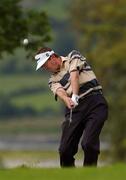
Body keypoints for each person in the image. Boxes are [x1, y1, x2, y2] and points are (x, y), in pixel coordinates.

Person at [35, 47, 108, 167]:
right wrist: (67, 99)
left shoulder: (73, 56)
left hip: (95, 103)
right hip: (74, 109)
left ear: (52, 57)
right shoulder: (52, 80)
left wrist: (75, 95)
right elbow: (60, 92)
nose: (44, 68)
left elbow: (75, 75)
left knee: (88, 144)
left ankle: (89, 175)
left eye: (45, 64)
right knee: (64, 150)